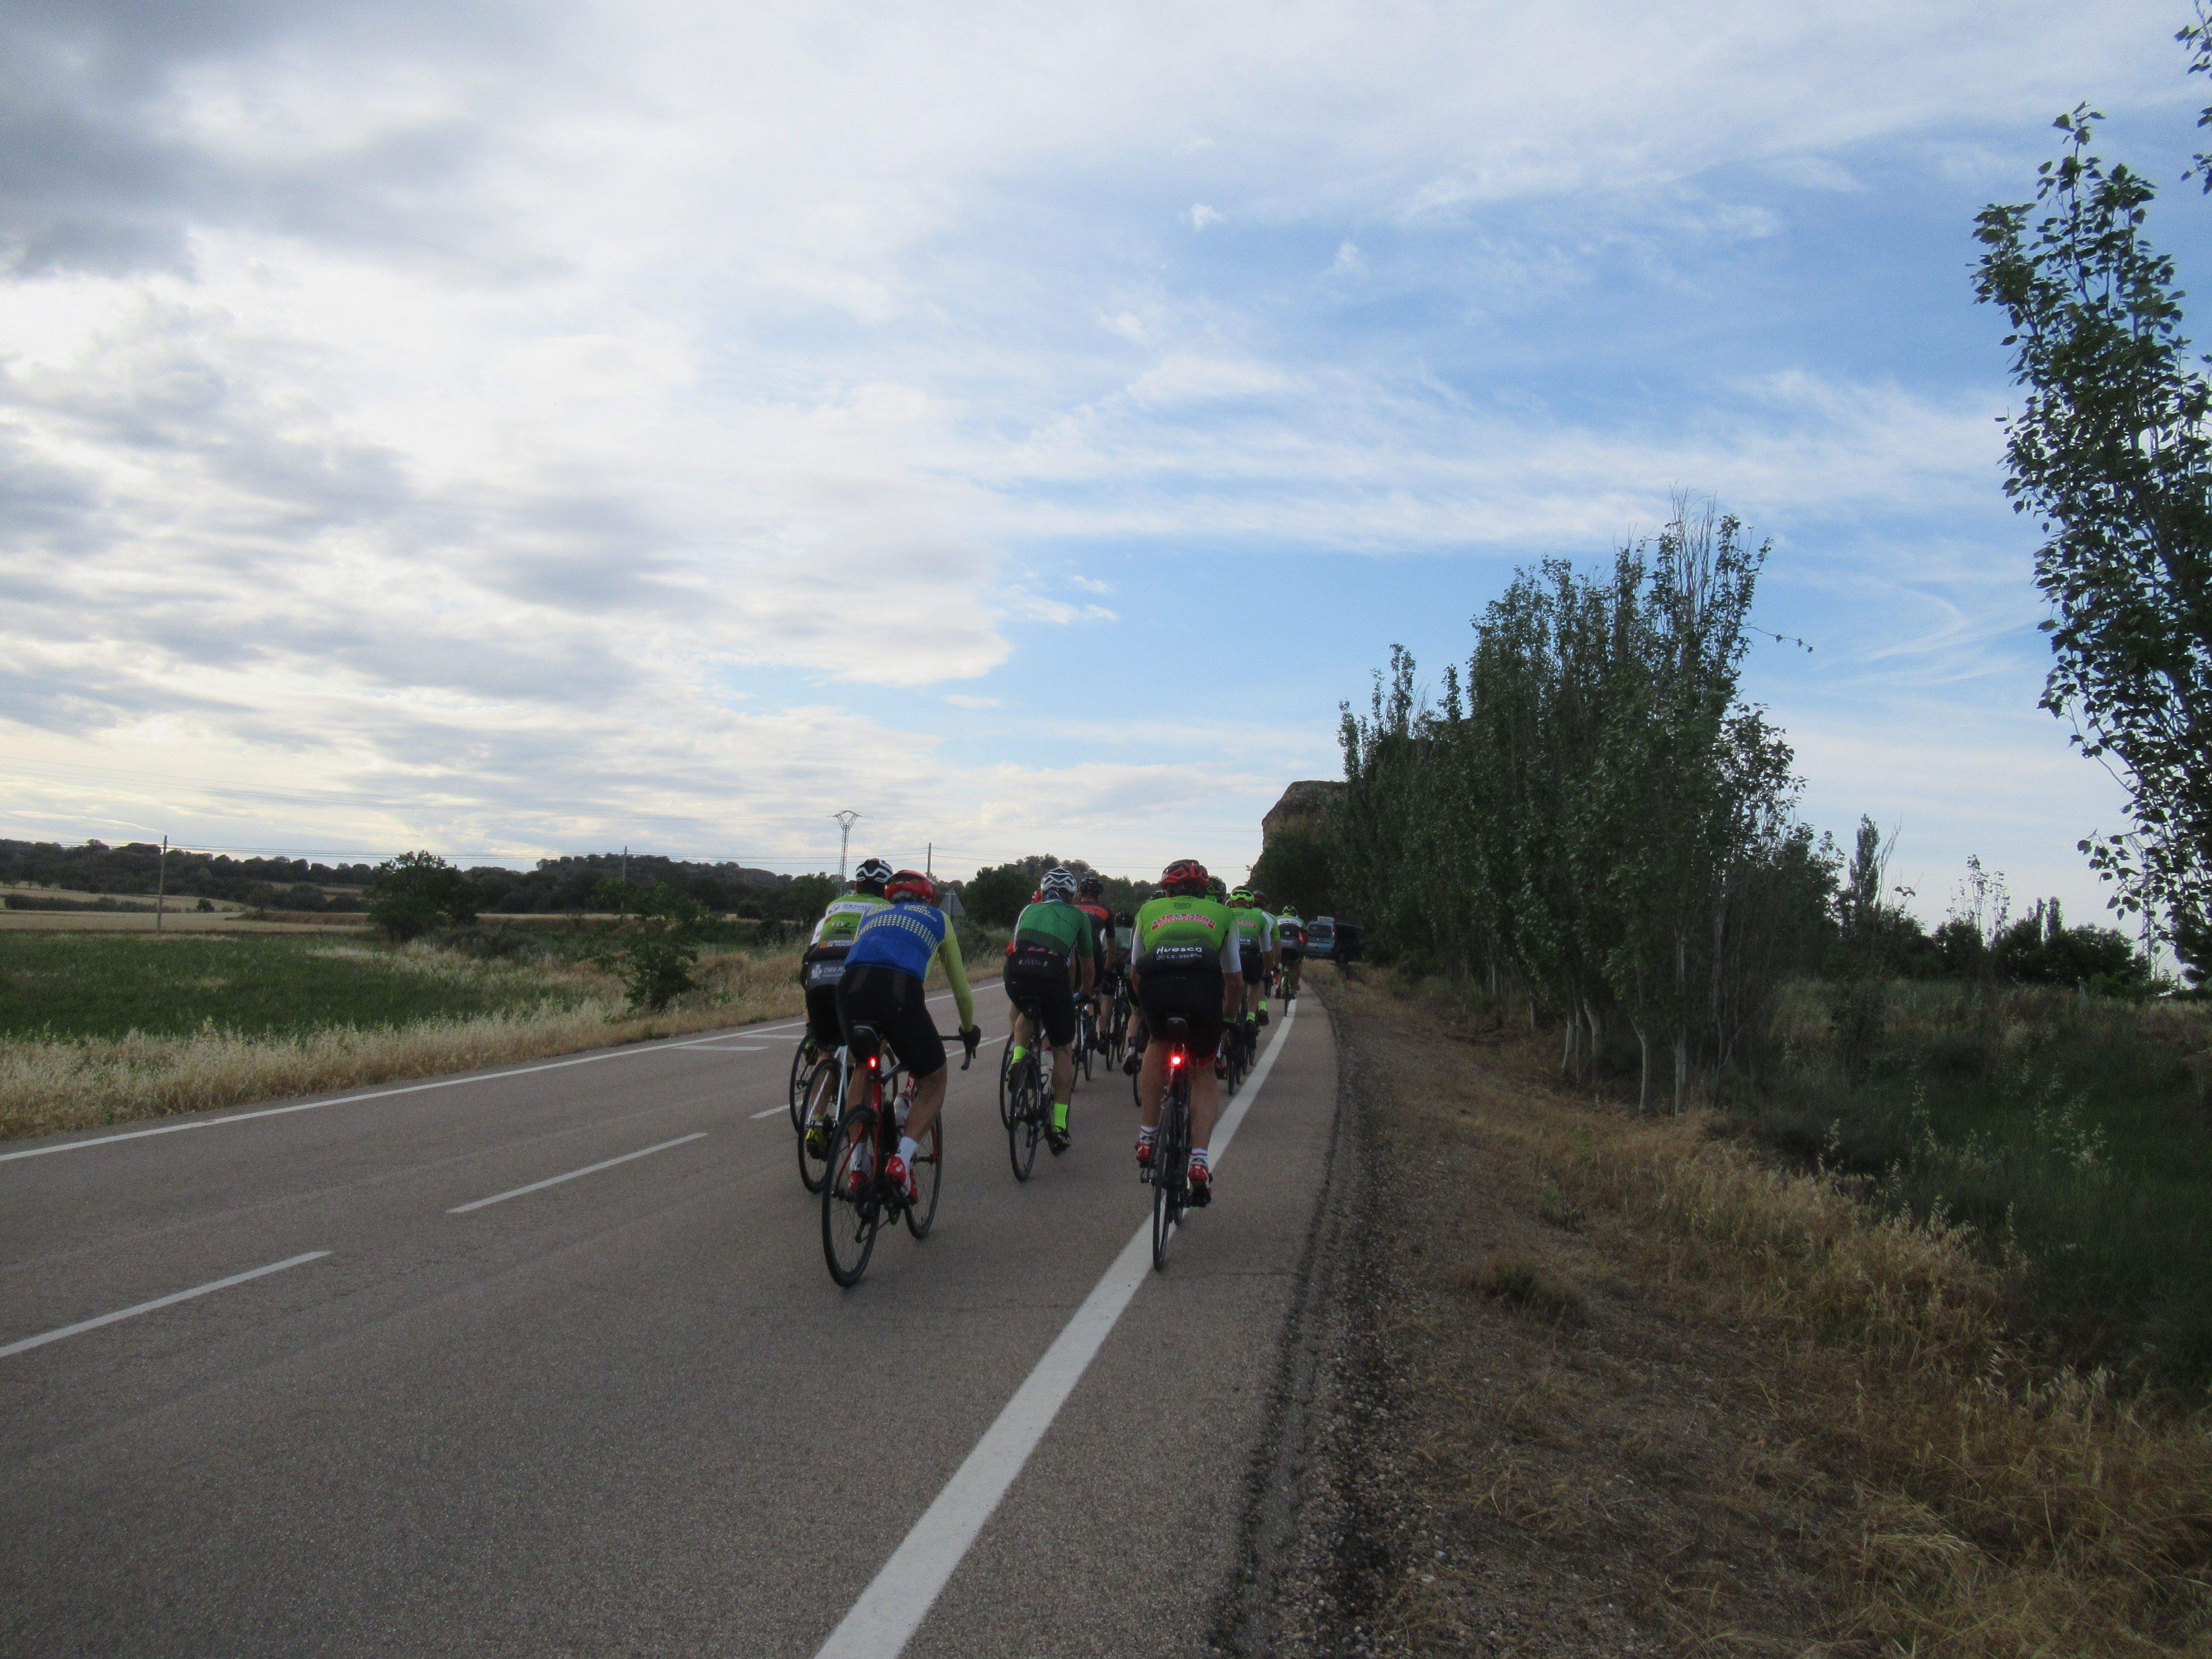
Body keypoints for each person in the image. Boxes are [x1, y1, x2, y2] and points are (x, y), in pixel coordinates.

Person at [835, 870, 981, 1203]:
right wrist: (968, 1029)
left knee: (863, 1066)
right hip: (899, 991)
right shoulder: (939, 919)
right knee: (934, 1078)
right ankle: (900, 1162)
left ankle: (857, 1165)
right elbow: (961, 990)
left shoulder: (873, 914)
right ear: (928, 899)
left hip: (851, 989)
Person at [1129, 859, 1242, 1206]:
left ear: (1167, 889)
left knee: (1158, 1042)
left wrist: (1143, 1011)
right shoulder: (1223, 914)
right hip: (1203, 992)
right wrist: (1227, 1020)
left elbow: (1135, 974)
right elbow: (1235, 981)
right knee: (1203, 1070)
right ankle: (1199, 1161)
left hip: (1158, 989)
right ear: (1204, 891)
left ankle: (1147, 1137)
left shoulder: (1148, 911)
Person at [1004, 867, 1095, 1153]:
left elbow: (1017, 946)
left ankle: (1018, 1060)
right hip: (1052, 976)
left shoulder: (1028, 910)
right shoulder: (1079, 916)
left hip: (1016, 973)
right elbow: (1086, 964)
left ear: (1044, 893)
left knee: (1026, 1013)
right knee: (1063, 1050)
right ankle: (1058, 1125)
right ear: (1071, 896)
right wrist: (1086, 993)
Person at [798, 857, 893, 1063]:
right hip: (854, 975)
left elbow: (813, 948)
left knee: (826, 1051)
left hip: (817, 968)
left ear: (857, 885)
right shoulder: (886, 908)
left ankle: (814, 1038)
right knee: (863, 1046)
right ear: (885, 889)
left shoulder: (836, 906)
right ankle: (858, 1072)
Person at [1074, 873, 1116, 1052]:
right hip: (1094, 954)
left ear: (1080, 895)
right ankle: (1090, 1022)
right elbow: (1112, 948)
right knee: (1092, 990)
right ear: (1099, 897)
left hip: (1072, 954)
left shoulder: (1071, 908)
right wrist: (1107, 969)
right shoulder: (1105, 911)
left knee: (1072, 990)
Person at [1275, 907, 1307, 999]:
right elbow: (1305, 938)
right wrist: (1302, 951)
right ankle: (1293, 991)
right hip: (1294, 946)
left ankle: (1278, 986)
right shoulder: (1300, 921)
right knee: (1296, 967)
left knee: (1280, 964)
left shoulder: (1277, 919)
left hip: (1280, 945)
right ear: (1295, 914)